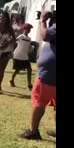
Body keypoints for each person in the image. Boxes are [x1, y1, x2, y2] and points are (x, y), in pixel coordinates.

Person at [21, 11, 56, 140]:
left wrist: (43, 20)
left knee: (39, 102)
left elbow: (45, 35)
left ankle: (33, 131)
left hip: (49, 74)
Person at [0, 11, 16, 92]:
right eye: (0, 16)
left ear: (6, 19)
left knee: (2, 69)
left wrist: (9, 41)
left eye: (3, 17)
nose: (1, 18)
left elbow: (14, 39)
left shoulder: (9, 28)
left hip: (6, 51)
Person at [9, 23, 33, 90]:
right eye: (28, 29)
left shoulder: (29, 38)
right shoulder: (21, 37)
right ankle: (11, 80)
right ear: (24, 29)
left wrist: (31, 49)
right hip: (17, 56)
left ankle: (29, 85)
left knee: (29, 70)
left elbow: (28, 47)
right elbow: (14, 40)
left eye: (30, 29)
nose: (29, 30)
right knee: (17, 70)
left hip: (25, 57)